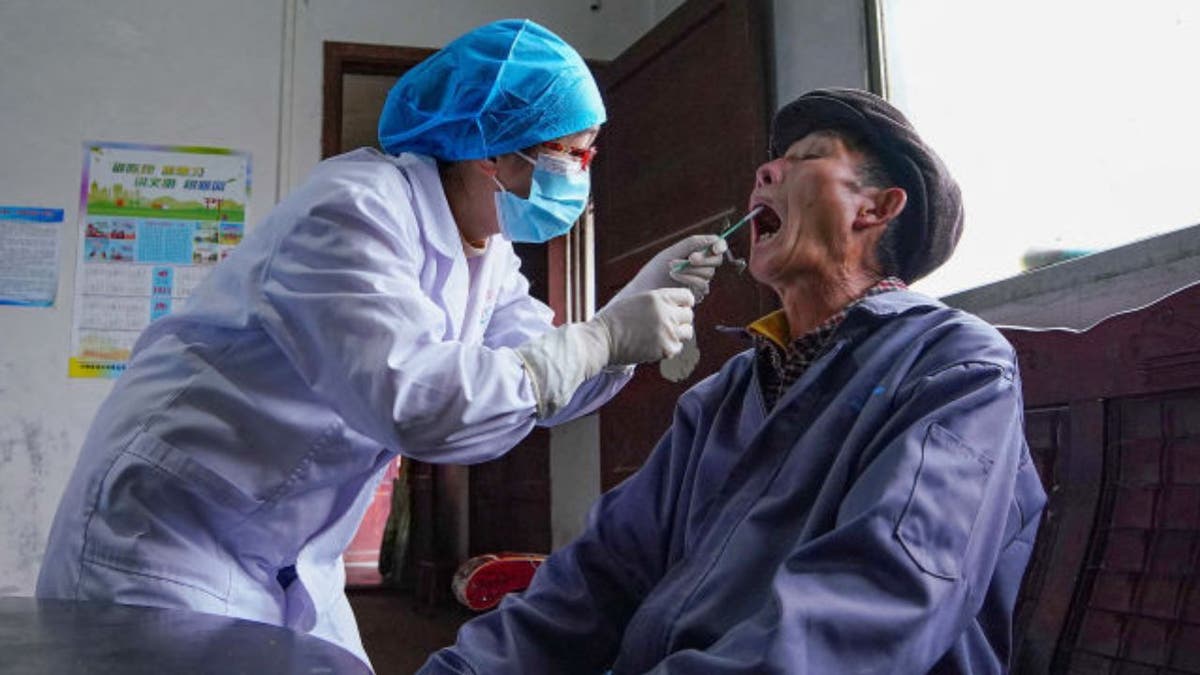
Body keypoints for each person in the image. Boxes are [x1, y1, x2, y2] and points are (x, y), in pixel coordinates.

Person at [36, 19, 729, 669]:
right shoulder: (354, 210)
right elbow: (420, 402)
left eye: (588, 155)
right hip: (168, 537)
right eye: (569, 154)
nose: (580, 175)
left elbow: (539, 376)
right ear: (492, 148)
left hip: (286, 551)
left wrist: (628, 318)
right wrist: (603, 336)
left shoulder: (488, 252)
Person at [420, 88, 1049, 674]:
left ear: (876, 208)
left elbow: (872, 613)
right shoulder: (727, 394)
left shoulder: (954, 366)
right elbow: (599, 575)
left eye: (806, 160)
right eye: (771, 162)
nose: (766, 172)